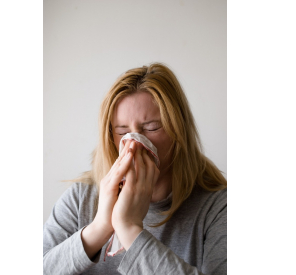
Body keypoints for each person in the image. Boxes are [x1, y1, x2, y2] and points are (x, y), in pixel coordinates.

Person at [43, 63, 227, 274]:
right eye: (122, 132)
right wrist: (100, 227)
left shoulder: (218, 208)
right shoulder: (80, 199)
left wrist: (129, 229)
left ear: (178, 131)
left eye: (151, 128)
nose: (134, 143)